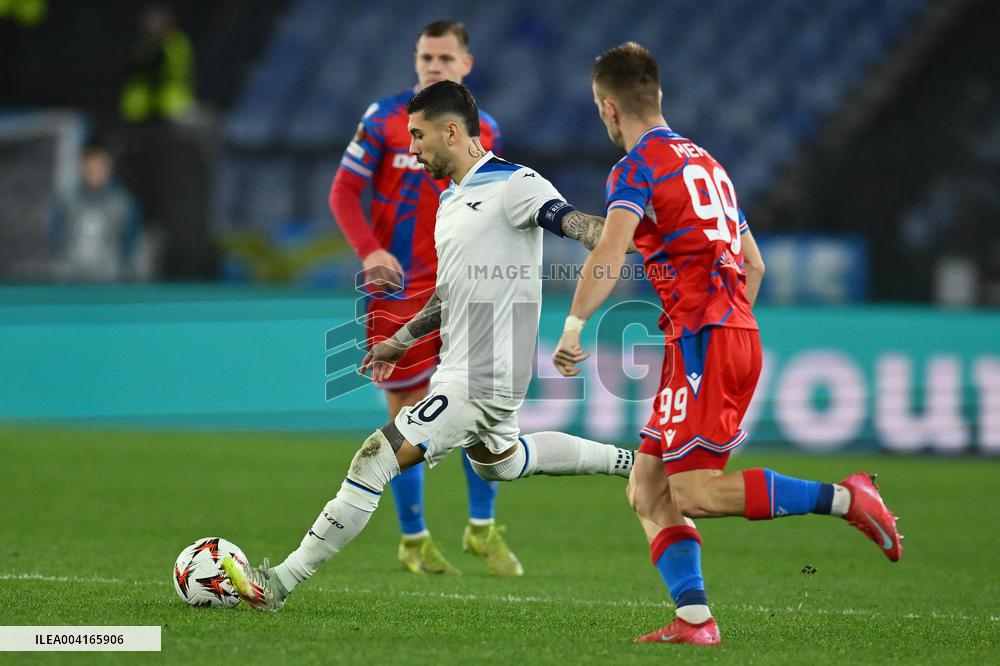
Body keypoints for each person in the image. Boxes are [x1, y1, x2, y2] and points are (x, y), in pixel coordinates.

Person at [222, 80, 636, 612]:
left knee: (374, 458)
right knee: (501, 462)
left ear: (451, 131)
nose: (411, 147)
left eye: (417, 136)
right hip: (461, 368)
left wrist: (615, 231)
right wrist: (400, 339)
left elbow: (575, 224)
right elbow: (448, 293)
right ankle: (636, 460)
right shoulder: (450, 202)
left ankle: (276, 584)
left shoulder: (516, 184)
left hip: (482, 376)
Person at [551, 42, 903, 646]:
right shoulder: (710, 165)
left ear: (607, 108)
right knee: (647, 488)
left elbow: (609, 253)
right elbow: (755, 265)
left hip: (704, 342)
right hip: (718, 334)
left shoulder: (635, 169)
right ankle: (695, 620)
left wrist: (574, 326)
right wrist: (726, 324)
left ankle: (848, 499)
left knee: (697, 492)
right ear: (658, 95)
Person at [329, 20, 514, 576]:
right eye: (425, 57)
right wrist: (368, 252)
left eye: (444, 58)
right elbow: (342, 191)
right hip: (401, 291)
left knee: (480, 411)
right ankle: (414, 539)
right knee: (408, 416)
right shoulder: (384, 119)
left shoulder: (488, 132)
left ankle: (482, 529)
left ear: (466, 65)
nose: (434, 66)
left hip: (462, 288)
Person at [50, 142, 142, 282]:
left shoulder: (123, 204)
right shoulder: (68, 201)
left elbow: (131, 239)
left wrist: (123, 267)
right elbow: (57, 233)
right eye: (89, 168)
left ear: (108, 168)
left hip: (108, 276)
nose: (94, 173)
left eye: (99, 167)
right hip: (72, 275)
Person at [119, 3, 195, 123]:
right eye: (150, 22)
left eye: (157, 22)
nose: (153, 27)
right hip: (140, 110)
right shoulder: (143, 46)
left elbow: (173, 70)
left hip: (172, 107)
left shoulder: (177, 44)